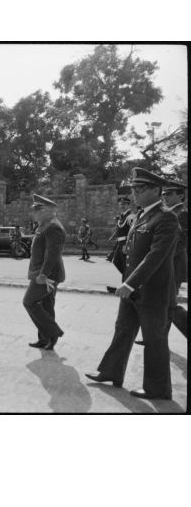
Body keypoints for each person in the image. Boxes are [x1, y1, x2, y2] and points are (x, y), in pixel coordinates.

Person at [85, 168, 179, 400]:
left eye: (140, 189)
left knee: (154, 340)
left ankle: (157, 389)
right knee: (123, 330)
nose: (134, 193)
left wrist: (131, 283)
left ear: (156, 190)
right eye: (134, 189)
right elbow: (130, 252)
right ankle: (111, 372)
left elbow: (156, 255)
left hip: (153, 291)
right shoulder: (140, 216)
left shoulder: (166, 217)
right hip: (132, 287)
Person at [23, 194, 66, 350]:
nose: (33, 213)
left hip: (47, 275)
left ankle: (53, 332)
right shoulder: (44, 225)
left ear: (47, 211)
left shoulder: (53, 226)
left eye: (37, 210)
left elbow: (52, 253)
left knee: (29, 302)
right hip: (42, 273)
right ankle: (46, 339)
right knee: (47, 305)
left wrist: (43, 274)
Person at [161, 179, 187, 338]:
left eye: (169, 194)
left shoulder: (182, 214)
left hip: (174, 266)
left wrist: (161, 258)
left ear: (181, 196)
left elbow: (181, 243)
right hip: (168, 266)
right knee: (166, 304)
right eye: (164, 194)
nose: (165, 197)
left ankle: (158, 336)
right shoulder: (170, 213)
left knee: (169, 305)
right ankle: (158, 336)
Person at [105, 196, 136, 293]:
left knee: (125, 265)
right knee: (116, 261)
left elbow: (134, 232)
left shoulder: (131, 217)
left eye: (124, 204)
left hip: (125, 245)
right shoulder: (122, 217)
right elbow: (119, 230)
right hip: (119, 243)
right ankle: (128, 282)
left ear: (128, 205)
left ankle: (126, 285)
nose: (121, 206)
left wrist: (127, 245)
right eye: (120, 204)